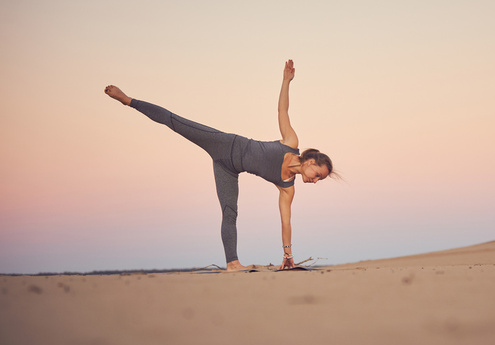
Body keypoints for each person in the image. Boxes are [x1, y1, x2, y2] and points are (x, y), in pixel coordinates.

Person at [104, 60, 333, 271]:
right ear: (311, 161)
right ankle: (128, 100)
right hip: (224, 143)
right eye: (317, 174)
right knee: (175, 121)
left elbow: (286, 222)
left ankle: (232, 263)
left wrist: (288, 255)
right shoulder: (291, 142)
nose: (315, 180)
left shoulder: (287, 187)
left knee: (229, 212)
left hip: (227, 170)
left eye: (318, 179)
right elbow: (282, 111)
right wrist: (286, 81)